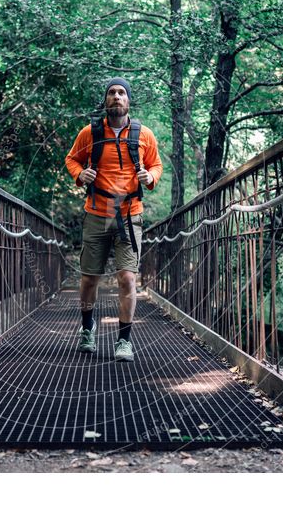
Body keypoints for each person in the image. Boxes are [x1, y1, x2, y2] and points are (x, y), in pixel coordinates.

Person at [64, 78, 163, 361]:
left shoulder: (144, 135)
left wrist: (151, 176)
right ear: (106, 100)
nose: (116, 97)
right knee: (88, 279)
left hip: (130, 215)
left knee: (127, 278)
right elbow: (72, 159)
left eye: (121, 93)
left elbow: (156, 164)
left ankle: (124, 341)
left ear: (128, 100)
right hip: (97, 212)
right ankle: (87, 329)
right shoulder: (90, 133)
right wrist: (80, 174)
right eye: (111, 93)